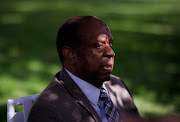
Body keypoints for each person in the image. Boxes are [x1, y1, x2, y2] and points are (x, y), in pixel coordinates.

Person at [28, 16, 140, 122]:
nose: (111, 53)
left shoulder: (117, 86)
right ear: (70, 54)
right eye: (98, 45)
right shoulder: (49, 110)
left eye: (110, 44)